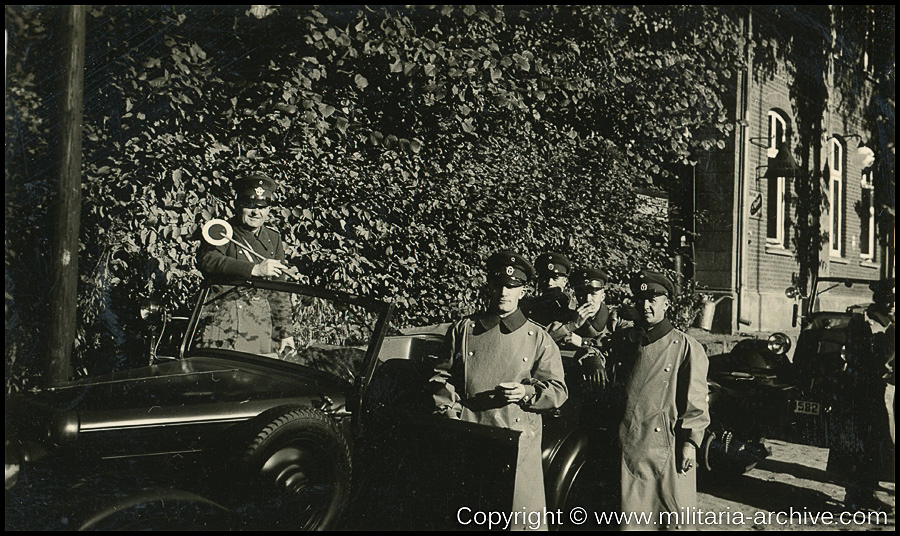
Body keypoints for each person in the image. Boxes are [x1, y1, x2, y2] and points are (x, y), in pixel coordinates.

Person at [430, 250, 568, 530]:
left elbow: (557, 390)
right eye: (499, 285)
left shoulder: (538, 337)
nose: (504, 292)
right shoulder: (464, 330)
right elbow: (440, 377)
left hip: (517, 439)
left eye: (512, 287)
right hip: (470, 434)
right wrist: (451, 411)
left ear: (523, 291)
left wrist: (526, 394)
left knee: (517, 520)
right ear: (489, 287)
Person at [607, 270, 709, 530]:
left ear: (667, 302)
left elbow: (695, 401)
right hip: (629, 444)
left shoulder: (686, 347)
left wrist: (690, 443)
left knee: (667, 517)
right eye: (641, 299)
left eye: (653, 299)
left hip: (665, 449)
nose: (646, 305)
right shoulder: (627, 343)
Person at [196, 174, 295, 356]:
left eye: (262, 207)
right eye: (250, 205)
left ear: (268, 210)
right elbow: (208, 260)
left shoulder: (273, 238)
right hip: (224, 322)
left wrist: (285, 332)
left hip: (260, 324)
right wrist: (254, 269)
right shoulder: (222, 231)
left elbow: (280, 289)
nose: (256, 212)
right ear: (238, 205)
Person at [828, 277, 894, 513]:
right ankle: (859, 497)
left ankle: (867, 491)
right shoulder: (863, 321)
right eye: (888, 298)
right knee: (862, 444)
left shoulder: (891, 322)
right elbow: (865, 356)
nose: (892, 303)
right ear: (879, 298)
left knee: (879, 444)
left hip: (884, 391)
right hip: (865, 390)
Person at [521, 251, 577, 342]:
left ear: (565, 281)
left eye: (555, 279)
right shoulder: (530, 306)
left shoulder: (574, 308)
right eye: (545, 278)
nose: (549, 283)